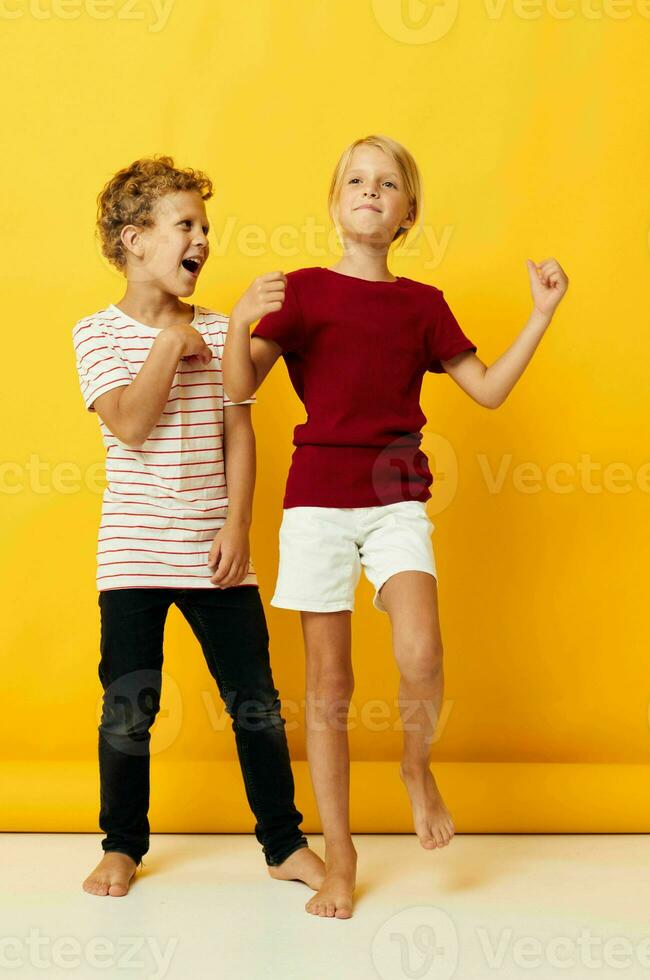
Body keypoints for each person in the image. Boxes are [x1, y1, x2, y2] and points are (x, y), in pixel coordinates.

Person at [222, 134, 569, 919]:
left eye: (387, 184)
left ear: (409, 212)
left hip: (394, 496)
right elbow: (239, 392)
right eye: (356, 179)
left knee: (420, 650)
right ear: (335, 201)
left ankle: (416, 766)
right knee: (329, 685)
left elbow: (485, 391)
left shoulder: (424, 304)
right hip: (315, 501)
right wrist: (242, 320)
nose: (370, 191)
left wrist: (541, 314)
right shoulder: (303, 292)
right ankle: (339, 855)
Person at [72, 155, 325, 898]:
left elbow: (240, 431)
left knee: (256, 704)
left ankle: (283, 842)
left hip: (215, 550)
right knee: (129, 706)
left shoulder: (221, 332)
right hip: (133, 554)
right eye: (186, 224)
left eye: (205, 226)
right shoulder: (95, 334)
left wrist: (238, 527)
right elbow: (129, 424)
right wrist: (164, 348)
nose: (203, 239)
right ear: (134, 241)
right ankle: (122, 844)